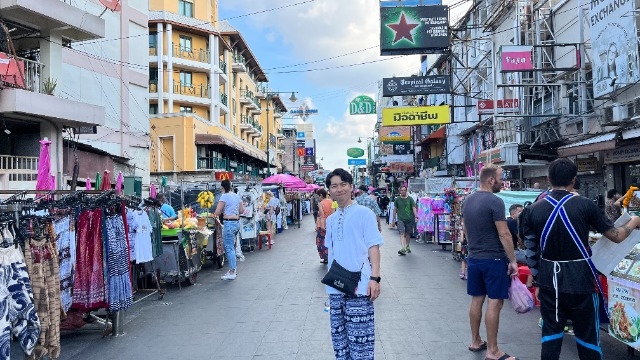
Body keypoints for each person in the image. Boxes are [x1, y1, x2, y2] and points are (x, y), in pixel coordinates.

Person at [521, 158, 640, 360]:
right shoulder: (585, 206)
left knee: (551, 334)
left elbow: (530, 251)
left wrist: (538, 279)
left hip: (550, 281)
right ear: (574, 180)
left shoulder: (532, 210)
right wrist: (634, 221)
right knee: (587, 337)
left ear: (549, 179)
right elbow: (617, 236)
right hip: (581, 282)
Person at [324, 168, 383, 360]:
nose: (339, 189)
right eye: (334, 186)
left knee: (361, 342)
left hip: (360, 287)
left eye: (343, 184)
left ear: (351, 187)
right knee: (340, 343)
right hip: (335, 289)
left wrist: (375, 278)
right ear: (329, 190)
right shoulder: (331, 220)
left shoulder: (364, 214)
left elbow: (374, 247)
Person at [461, 164, 518, 360]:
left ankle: (475, 340)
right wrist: (513, 260)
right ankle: (493, 351)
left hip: (475, 258)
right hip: (493, 259)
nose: (502, 182)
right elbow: (504, 233)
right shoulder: (495, 201)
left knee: (477, 299)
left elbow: (466, 230)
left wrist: (473, 248)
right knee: (495, 302)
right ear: (491, 180)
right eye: (501, 178)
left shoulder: (467, 201)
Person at [211, 179, 244, 280]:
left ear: (223, 187)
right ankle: (232, 269)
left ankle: (232, 271)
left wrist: (212, 215)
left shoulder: (224, 196)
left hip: (229, 224)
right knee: (232, 248)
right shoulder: (236, 196)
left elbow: (217, 212)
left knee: (229, 248)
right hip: (236, 223)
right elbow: (242, 210)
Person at [394, 186, 417, 255]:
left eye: (404, 190)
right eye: (402, 190)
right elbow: (395, 209)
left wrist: (416, 216)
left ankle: (407, 245)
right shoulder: (397, 199)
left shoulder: (410, 199)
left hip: (409, 219)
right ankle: (403, 248)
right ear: (400, 191)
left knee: (408, 233)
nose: (403, 191)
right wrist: (393, 219)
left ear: (406, 191)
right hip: (400, 218)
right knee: (401, 233)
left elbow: (414, 208)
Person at [315, 189, 334, 264]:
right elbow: (333, 213)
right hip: (330, 223)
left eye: (318, 196)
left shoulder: (321, 203)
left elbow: (322, 215)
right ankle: (330, 256)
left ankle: (325, 257)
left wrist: (322, 225)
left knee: (320, 241)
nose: (318, 198)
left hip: (322, 224)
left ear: (321, 195)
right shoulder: (331, 201)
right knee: (329, 240)